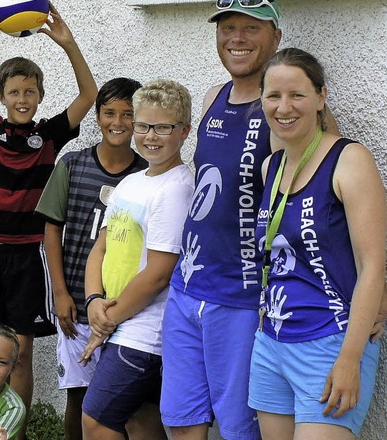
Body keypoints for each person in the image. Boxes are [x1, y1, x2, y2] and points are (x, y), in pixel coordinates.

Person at [0, 2, 97, 431]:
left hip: (29, 257)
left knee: (20, 351)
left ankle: (16, 430)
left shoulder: (49, 135)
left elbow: (89, 96)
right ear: (2, 96)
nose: (22, 99)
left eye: (30, 92)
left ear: (40, 96)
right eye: (14, 92)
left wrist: (69, 44)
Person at [248, 47, 386, 439]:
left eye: (297, 95)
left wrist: (350, 358)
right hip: (271, 341)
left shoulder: (350, 160)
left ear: (321, 97)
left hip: (330, 342)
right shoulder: (270, 165)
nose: (284, 106)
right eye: (273, 96)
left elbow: (373, 265)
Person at [159, 3, 283, 439]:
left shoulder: (285, 108)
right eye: (228, 27)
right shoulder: (213, 96)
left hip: (243, 296)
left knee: (238, 428)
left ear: (276, 38)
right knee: (182, 421)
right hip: (187, 287)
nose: (237, 38)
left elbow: (327, 192)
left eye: (251, 27)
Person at [79, 79, 194, 440]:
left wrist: (106, 320)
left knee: (96, 421)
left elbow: (159, 274)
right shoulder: (131, 182)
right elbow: (101, 247)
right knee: (139, 421)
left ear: (184, 131)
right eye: (143, 126)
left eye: (163, 127)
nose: (150, 136)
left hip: (145, 333)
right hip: (115, 320)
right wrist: (93, 300)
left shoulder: (177, 187)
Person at [35, 77, 145, 440]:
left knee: (129, 403)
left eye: (128, 114)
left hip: (127, 309)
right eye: (109, 112)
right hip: (78, 308)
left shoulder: (146, 174)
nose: (118, 121)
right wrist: (61, 294)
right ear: (97, 117)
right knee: (80, 400)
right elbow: (52, 231)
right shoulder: (72, 165)